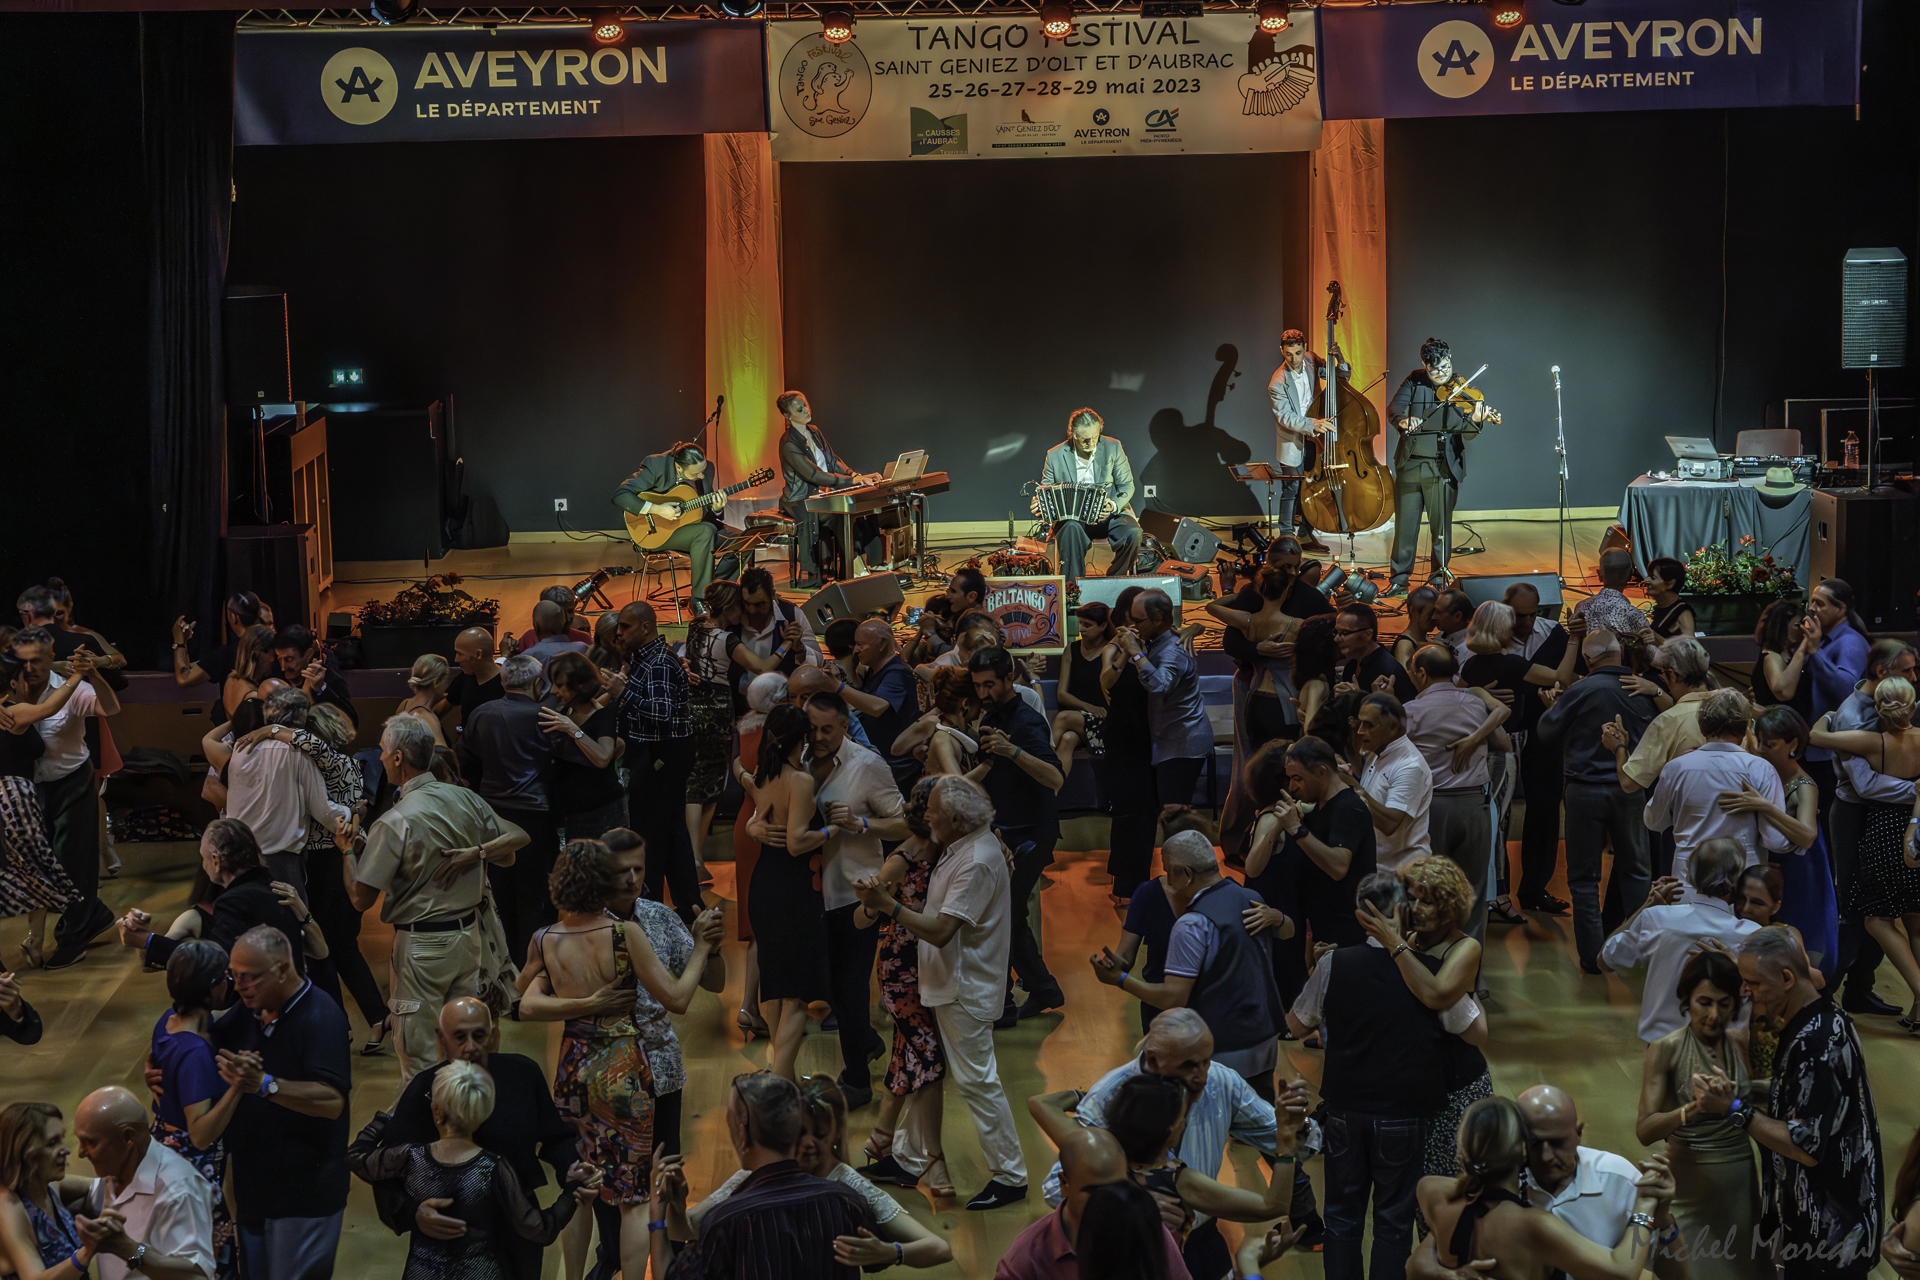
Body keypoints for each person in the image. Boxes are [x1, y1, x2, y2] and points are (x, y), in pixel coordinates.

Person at [522, 840, 723, 1280]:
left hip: (572, 1067)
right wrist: (704, 948)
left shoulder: (546, 937)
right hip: (621, 1067)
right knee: (632, 1197)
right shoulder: (623, 934)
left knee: (582, 1186)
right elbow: (678, 998)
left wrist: (580, 1003)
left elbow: (522, 1002)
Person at [853, 776, 1028, 1211]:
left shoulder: (976, 861)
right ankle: (910, 1159)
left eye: (931, 809)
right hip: (947, 983)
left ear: (954, 818)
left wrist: (889, 905)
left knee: (977, 1082)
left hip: (963, 988)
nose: (924, 814)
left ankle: (1011, 1175)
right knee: (925, 1068)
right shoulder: (963, 847)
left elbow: (944, 930)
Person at [344, 714, 530, 1080]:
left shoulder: (395, 820)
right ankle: (472, 1117)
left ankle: (433, 1131)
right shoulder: (465, 798)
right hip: (469, 941)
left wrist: (347, 851)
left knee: (420, 1056)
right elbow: (516, 839)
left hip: (422, 947)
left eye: (383, 751)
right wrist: (476, 852)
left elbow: (360, 898)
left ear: (398, 758)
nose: (380, 758)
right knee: (468, 1043)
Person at [1286, 869, 1447, 1280]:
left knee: (1341, 1217)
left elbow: (1297, 1024)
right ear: (1404, 912)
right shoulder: (1430, 971)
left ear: (1361, 917)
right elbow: (1468, 1026)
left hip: (1345, 1111)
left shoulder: (1334, 963)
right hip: (1404, 1114)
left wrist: (1315, 966)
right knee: (1393, 1222)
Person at [375, 999, 582, 1280]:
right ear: (441, 1039)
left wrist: (571, 1168)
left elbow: (556, 1138)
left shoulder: (522, 1074)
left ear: (494, 1035)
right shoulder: (424, 1092)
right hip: (449, 1242)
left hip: (515, 1235)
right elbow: (384, 1171)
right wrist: (414, 1214)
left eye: (479, 1035)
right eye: (459, 1037)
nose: (470, 1047)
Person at [1722, 926, 1883, 1279]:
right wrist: (1744, 1090)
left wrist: (1735, 1110)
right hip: (1827, 1226)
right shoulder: (1823, 1017)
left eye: (1754, 982)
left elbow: (1804, 1144)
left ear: (1786, 978)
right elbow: (1802, 1097)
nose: (1746, 992)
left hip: (1832, 1236)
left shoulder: (1816, 1044)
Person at [348, 1060, 596, 1280]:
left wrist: (382, 1119)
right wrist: (572, 1189)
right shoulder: (495, 1168)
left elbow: (356, 1156)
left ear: (436, 1111)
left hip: (423, 1271)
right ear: (486, 1111)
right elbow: (540, 1230)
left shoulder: (408, 1157)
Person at [674, 1076, 952, 1270]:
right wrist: (672, 1203)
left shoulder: (848, 1183)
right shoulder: (757, 1173)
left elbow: (940, 1248)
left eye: (818, 1136)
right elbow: (684, 1227)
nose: (807, 1143)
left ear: (835, 1137)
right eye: (799, 1133)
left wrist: (893, 1252)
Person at [1091, 831, 1286, 1102]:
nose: (1167, 881)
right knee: (1263, 1124)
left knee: (1200, 1127)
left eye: (1170, 872)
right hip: (1263, 1037)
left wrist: (1121, 979)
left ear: (1186, 873)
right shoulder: (1251, 898)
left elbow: (1174, 997)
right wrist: (1281, 917)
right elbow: (1287, 933)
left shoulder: (1191, 923)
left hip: (1219, 1045)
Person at [209, 925, 351, 1280]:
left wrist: (266, 1085)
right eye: (234, 976)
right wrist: (167, 1057)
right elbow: (210, 1038)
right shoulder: (251, 1006)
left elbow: (332, 1100)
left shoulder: (321, 1017)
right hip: (254, 1191)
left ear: (284, 970)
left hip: (303, 1198)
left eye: (248, 977)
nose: (238, 986)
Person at [1416, 1095, 1675, 1280]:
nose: (1548, 1156)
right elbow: (1623, 1270)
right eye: (1537, 1143)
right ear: (1522, 1150)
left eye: (1558, 1142)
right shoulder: (1533, 1224)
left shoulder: (1434, 1193)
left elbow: (1416, 1263)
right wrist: (1646, 1204)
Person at [794, 692, 905, 1106]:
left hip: (856, 891)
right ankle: (868, 1043)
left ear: (845, 725)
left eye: (827, 729)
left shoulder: (868, 765)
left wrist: (860, 823)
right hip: (810, 893)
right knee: (832, 989)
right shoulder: (798, 759)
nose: (818, 737)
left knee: (851, 988)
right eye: (813, 729)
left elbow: (905, 825)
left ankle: (857, 1080)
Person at [659, 1072, 876, 1280]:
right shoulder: (847, 1202)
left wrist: (656, 1210)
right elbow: (879, 1258)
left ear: (742, 1135)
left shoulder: (725, 1222)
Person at [1355, 856, 1492, 1181]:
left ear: (1449, 906)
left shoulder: (1465, 947)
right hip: (1419, 1084)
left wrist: (1393, 943)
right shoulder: (1410, 942)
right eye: (1411, 899)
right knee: (1420, 1187)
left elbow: (1435, 994)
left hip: (1457, 1087)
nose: (1415, 908)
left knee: (1451, 1183)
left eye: (1426, 901)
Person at [1633, 949, 1764, 1280]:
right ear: (1686, 999)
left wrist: (1741, 1097)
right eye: (1704, 1002)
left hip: (1739, 1182)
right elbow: (1645, 1130)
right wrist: (1692, 1109)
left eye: (1724, 1003)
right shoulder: (1666, 1048)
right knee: (1685, 1269)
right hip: (1687, 1184)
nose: (1714, 1014)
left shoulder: (1742, 1041)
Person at [1534, 629, 1660, 968]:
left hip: (1584, 792)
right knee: (1636, 873)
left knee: (1584, 880)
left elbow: (1546, 732)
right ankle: (1639, 956)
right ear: (1619, 653)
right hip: (1631, 790)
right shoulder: (1643, 689)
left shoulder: (1580, 689)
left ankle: (1592, 958)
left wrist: (1554, 708)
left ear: (1587, 660)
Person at [851, 779, 949, 1190]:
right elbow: (861, 919)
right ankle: (934, 1161)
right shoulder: (903, 857)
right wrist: (875, 902)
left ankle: (881, 1141)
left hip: (933, 966)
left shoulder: (949, 850)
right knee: (929, 1059)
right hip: (900, 969)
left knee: (906, 1052)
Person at [1808, 674, 1920, 1027]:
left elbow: (1816, 737)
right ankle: (1918, 1011)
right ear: (1913, 706)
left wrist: (1827, 715)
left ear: (1878, 708)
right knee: (1916, 921)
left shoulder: (1872, 742)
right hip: (1917, 831)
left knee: (1876, 919)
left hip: (1885, 831)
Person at [10, 629, 119, 970]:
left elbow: (110, 707)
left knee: (71, 865)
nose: (30, 668)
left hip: (72, 781)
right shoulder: (9, 692)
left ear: (50, 655)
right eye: (23, 661)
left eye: (37, 660)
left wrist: (94, 674)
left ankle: (73, 940)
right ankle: (95, 915)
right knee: (42, 866)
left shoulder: (73, 688)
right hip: (33, 788)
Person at [967, 645, 1066, 1018]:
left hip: (1031, 832)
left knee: (1006, 915)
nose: (982, 692)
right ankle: (1029, 991)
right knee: (1006, 914)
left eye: (989, 684)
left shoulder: (1025, 720)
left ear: (1010, 678)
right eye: (977, 685)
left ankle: (1038, 990)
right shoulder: (992, 712)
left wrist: (1013, 752)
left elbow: (1056, 777)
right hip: (1008, 829)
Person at [1241, 736, 1376, 1008]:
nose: (1292, 786)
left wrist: (1297, 831)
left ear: (1321, 772)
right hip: (1324, 923)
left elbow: (1338, 867)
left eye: (1298, 778)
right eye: (1289, 778)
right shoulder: (1322, 806)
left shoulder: (1348, 808)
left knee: (1346, 1002)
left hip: (1347, 925)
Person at [739, 703, 833, 1079]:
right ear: (804, 738)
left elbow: (741, 776)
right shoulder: (801, 780)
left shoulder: (764, 774)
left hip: (764, 883)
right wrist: (833, 831)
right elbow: (797, 842)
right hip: (793, 891)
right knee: (797, 998)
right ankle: (779, 1082)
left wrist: (751, 826)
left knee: (776, 990)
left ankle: (785, 1077)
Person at [1600, 838, 1759, 1042]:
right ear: (1737, 884)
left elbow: (1604, 960)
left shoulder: (1657, 918)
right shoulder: (1751, 934)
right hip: (1721, 1052)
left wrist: (1645, 907)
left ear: (1691, 876)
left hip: (1661, 1046)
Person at [1402, 645, 1511, 942]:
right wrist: (1475, 738)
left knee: (1429, 889)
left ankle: (1432, 965)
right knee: (1472, 890)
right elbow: (1504, 742)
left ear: (1421, 673)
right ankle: (1470, 973)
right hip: (1475, 805)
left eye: (1411, 670)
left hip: (1431, 808)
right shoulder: (1475, 703)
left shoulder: (1410, 712)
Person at [145, 941, 238, 1280]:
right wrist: (239, 1088)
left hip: (163, 1149)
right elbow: (199, 1134)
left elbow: (158, 1070)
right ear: (214, 987)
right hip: (192, 1170)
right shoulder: (196, 1053)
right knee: (206, 1261)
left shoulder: (166, 1022)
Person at [457, 653, 559, 959]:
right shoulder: (546, 716)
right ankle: (534, 965)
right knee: (536, 894)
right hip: (536, 813)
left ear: (504, 680)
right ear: (537, 682)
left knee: (501, 891)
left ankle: (508, 963)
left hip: (493, 812)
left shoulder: (482, 713)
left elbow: (464, 758)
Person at [121, 818, 313, 978]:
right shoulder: (270, 887)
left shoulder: (234, 901)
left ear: (215, 860)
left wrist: (147, 941)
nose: (203, 866)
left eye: (203, 858)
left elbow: (217, 962)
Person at [996, 1128, 1190, 1280]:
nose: (1110, 1201)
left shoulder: (1144, 1227)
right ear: (1064, 1184)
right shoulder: (1026, 1258)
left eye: (1118, 1187)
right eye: (1094, 1192)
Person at [68, 1086, 217, 1280]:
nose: (80, 1152)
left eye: (90, 1142)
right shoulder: (116, 1172)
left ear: (128, 1137)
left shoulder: (178, 1189)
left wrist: (127, 1249)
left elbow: (197, 1276)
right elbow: (63, 1187)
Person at [612, 601, 702, 917]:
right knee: (672, 834)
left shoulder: (659, 663)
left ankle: (649, 913)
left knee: (651, 837)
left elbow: (661, 713)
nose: (619, 632)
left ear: (646, 627)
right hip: (657, 754)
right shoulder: (644, 659)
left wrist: (622, 692)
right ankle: (689, 908)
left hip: (661, 756)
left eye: (625, 626)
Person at [1644, 688, 1789, 884]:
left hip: (1688, 879)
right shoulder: (1761, 769)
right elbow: (1776, 840)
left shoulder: (1676, 767)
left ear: (1701, 727)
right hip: (1741, 881)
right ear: (1747, 727)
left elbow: (1654, 821)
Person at [1733, 705, 1840, 970]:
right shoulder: (1761, 766)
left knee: (1793, 939)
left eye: (1770, 745)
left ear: (1793, 743)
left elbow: (1807, 836)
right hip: (1768, 865)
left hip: (1799, 871)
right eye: (1759, 742)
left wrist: (1765, 806)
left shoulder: (1804, 785)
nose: (1760, 749)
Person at [222, 689, 352, 898]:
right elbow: (324, 812)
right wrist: (354, 812)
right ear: (301, 718)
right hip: (280, 862)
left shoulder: (240, 749)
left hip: (241, 857)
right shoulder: (297, 753)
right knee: (289, 925)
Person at [1385, 338, 1490, 593]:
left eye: (1445, 366)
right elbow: (1393, 409)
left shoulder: (1461, 387)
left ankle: (1437, 579)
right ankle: (1399, 580)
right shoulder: (1415, 380)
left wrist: (1476, 420)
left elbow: (1467, 434)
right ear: (1424, 365)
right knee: (1405, 528)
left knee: (1440, 528)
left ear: (1450, 358)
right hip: (1410, 464)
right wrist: (1402, 421)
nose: (1442, 374)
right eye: (1434, 370)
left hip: (1442, 468)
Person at [1114, 590, 1212, 830]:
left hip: (1182, 744)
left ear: (1157, 618)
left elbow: (1159, 686)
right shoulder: (1158, 640)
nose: (1133, 625)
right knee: (1171, 814)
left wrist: (1135, 652)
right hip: (1170, 741)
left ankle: (1189, 866)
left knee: (1175, 816)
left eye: (1138, 621)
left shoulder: (1174, 648)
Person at [775, 391, 877, 583]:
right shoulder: (788, 443)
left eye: (805, 405)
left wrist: (854, 475)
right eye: (799, 409)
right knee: (841, 513)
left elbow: (833, 460)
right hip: (800, 501)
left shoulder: (814, 431)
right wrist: (851, 482)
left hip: (822, 496)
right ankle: (852, 569)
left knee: (861, 508)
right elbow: (813, 475)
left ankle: (866, 564)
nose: (806, 410)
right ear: (787, 416)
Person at [1037, 407, 1142, 583]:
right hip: (1074, 520)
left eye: (1096, 437)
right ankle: (1073, 589)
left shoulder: (1113, 447)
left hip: (1109, 515)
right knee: (1069, 530)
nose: (1092, 443)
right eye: (1086, 440)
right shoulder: (1055, 455)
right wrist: (1040, 505)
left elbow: (1127, 485)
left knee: (1134, 533)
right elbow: (1046, 491)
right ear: (1073, 435)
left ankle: (1114, 581)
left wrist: (1113, 505)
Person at [1102, 584, 1160, 904]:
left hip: (1146, 735)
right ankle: (1126, 886)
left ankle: (1132, 881)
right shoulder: (1115, 648)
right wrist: (1127, 650)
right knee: (1128, 811)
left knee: (1144, 811)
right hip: (1123, 736)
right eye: (1139, 614)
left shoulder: (1152, 645)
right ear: (1127, 614)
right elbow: (1106, 685)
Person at [1800, 577, 1873, 824]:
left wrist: (1813, 652)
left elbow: (1846, 689)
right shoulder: (1824, 638)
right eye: (1811, 601)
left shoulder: (1849, 642)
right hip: (1819, 748)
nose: (1812, 608)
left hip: (1833, 751)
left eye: (1820, 604)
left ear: (1841, 609)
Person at [613, 441, 721, 602]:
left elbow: (705, 512)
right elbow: (620, 496)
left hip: (692, 527)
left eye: (703, 470)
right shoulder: (656, 465)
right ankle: (700, 600)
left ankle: (718, 592)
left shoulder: (707, 468)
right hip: (656, 532)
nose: (702, 476)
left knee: (743, 538)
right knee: (706, 531)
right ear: (679, 467)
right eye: (695, 474)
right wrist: (658, 509)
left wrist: (716, 508)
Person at [1266, 327, 1343, 552]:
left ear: (1305, 349)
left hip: (1314, 439)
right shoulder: (1276, 382)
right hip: (1292, 440)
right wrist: (1313, 423)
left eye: (1298, 353)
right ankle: (1286, 540)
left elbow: (1338, 376)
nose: (1294, 359)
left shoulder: (1310, 360)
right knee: (1290, 490)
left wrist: (1340, 358)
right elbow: (1285, 417)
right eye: (1288, 354)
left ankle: (1306, 536)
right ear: (1281, 350)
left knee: (1312, 488)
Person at [0, 1100, 94, 1279]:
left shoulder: (50, 1185)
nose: (66, 1150)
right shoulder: (8, 1206)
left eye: (62, 1139)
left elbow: (106, 1187)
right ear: (24, 1152)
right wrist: (87, 1252)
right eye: (52, 1143)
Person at [1345, 692, 1432, 871]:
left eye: (1368, 725)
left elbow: (1390, 824)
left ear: (1392, 727)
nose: (1361, 731)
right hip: (1377, 866)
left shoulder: (1410, 766)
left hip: (1401, 874)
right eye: (1359, 723)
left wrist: (1354, 788)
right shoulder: (1376, 750)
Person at [838, 619, 921, 789]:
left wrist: (838, 687)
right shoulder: (874, 670)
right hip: (882, 765)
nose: (855, 650)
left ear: (882, 643)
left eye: (860, 644)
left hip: (898, 770)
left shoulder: (897, 673)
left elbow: (878, 707)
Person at [1051, 602, 1119, 787]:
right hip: (1082, 718)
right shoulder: (1071, 650)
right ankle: (1051, 793)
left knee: (1064, 717)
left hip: (1106, 722)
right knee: (1067, 739)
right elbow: (1062, 694)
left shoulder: (1112, 651)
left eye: (1087, 625)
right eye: (1080, 623)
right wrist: (1088, 707)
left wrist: (1096, 709)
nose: (1081, 629)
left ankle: (1041, 758)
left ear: (1103, 625)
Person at [169, 592, 269, 692]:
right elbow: (190, 667)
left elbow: (184, 678)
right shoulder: (271, 646)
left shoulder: (227, 653)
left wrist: (179, 642)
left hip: (238, 707)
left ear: (233, 617)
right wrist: (185, 642)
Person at [1333, 603, 1417, 704]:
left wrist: (1359, 696)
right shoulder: (1351, 666)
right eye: (1336, 632)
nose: (1336, 638)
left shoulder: (1388, 669)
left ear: (1367, 634)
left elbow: (1402, 714)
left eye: (1345, 633)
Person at [1750, 601, 1814, 720]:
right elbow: (1784, 692)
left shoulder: (1788, 652)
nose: (1802, 629)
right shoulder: (1772, 656)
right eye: (1797, 625)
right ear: (1782, 626)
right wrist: (1804, 646)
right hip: (1778, 730)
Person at [1575, 549, 1657, 640]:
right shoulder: (1636, 615)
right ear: (1631, 575)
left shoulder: (1581, 607)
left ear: (1599, 575)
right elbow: (1653, 651)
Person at [441, 628, 505, 736]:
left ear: (478, 654)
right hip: (466, 747)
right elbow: (443, 706)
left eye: (460, 654)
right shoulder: (464, 678)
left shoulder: (507, 681)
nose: (456, 659)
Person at [221, 625, 277, 720]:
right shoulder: (254, 697)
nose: (273, 660)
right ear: (258, 654)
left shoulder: (230, 680)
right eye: (273, 654)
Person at [521, 601, 589, 672]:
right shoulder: (582, 648)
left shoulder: (526, 657)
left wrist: (508, 656)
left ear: (535, 625)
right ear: (563, 623)